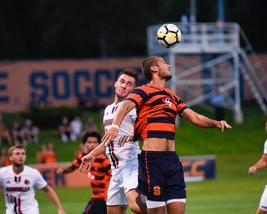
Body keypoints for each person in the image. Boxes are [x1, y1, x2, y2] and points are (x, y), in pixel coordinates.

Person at [89, 56, 232, 214]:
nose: (169, 66)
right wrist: (115, 126)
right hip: (152, 161)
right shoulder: (143, 90)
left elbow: (196, 118)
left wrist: (216, 123)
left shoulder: (172, 96)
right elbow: (125, 107)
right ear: (154, 69)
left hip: (172, 161)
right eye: (164, 63)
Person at [80, 68, 148, 214]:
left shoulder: (135, 109)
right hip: (115, 169)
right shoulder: (108, 110)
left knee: (136, 206)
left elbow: (148, 134)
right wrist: (92, 154)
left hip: (131, 163)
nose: (124, 86)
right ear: (115, 83)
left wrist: (133, 136)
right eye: (122, 82)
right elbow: (107, 140)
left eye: (129, 84)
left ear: (133, 89)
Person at [0, 145, 65, 214]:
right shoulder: (2, 173)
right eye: (17, 154)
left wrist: (60, 209)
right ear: (10, 158)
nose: (21, 156)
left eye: (23, 154)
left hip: (31, 211)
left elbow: (48, 190)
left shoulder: (33, 173)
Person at [56, 131, 111, 214]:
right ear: (84, 144)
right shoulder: (83, 157)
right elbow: (72, 167)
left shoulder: (104, 160)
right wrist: (63, 170)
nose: (92, 144)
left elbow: (115, 175)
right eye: (90, 142)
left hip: (103, 197)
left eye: (95, 142)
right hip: (98, 196)